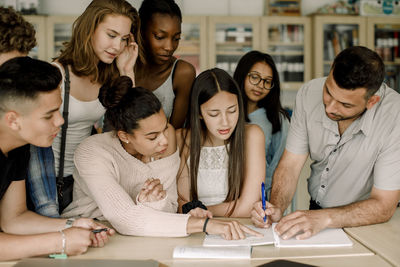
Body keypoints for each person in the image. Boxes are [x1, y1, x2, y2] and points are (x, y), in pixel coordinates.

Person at [61, 75, 261, 239]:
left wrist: (152, 203)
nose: (164, 141)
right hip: (90, 234)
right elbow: (125, 218)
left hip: (146, 235)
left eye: (165, 128)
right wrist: (206, 224)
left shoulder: (169, 140)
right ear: (124, 136)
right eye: (152, 137)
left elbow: (170, 207)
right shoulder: (92, 152)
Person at [251, 46, 400, 240]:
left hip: (369, 222)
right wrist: (276, 207)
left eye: (345, 105)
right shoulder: (309, 93)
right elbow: (290, 165)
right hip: (317, 212)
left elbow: (383, 204)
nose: (330, 107)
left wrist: (324, 218)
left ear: (372, 101)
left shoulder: (395, 116)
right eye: (329, 92)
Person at [27, 0, 141, 216]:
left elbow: (131, 126)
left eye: (124, 39)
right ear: (89, 30)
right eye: (111, 35)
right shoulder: (56, 74)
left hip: (85, 180)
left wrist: (127, 72)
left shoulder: (109, 76)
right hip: (46, 182)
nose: (117, 46)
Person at [0, 57, 113, 261]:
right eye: (48, 115)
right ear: (13, 120)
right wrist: (60, 242)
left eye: (59, 110)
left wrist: (73, 224)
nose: (60, 121)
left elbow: (13, 219)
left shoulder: (19, 147)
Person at [177, 68, 265, 218]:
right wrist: (191, 211)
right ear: (198, 113)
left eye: (232, 111)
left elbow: (247, 207)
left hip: (240, 229)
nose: (225, 122)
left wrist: (200, 210)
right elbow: (181, 204)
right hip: (196, 230)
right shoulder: (181, 139)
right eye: (214, 114)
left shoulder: (252, 135)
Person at [233, 51, 290, 198]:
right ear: (242, 75)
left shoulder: (277, 119)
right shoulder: (228, 113)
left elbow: (278, 167)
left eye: (267, 81)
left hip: (260, 198)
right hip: (225, 194)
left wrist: (268, 201)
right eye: (255, 77)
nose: (260, 86)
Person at [135, 0, 196, 129]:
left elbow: (174, 132)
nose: (169, 47)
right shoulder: (119, 65)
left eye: (176, 38)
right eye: (160, 37)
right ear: (141, 31)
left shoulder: (182, 73)